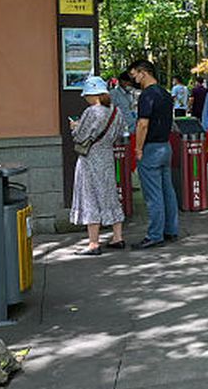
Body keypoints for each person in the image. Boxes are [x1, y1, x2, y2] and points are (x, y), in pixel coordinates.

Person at [67, 76, 126, 255]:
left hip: (90, 159)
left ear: (93, 95)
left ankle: (93, 243)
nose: (86, 99)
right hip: (107, 157)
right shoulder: (116, 111)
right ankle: (118, 237)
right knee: (110, 195)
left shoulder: (91, 112)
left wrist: (74, 126)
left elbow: (79, 137)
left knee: (90, 196)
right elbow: (119, 134)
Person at [125, 59, 180, 249]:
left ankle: (155, 235)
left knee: (153, 194)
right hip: (166, 146)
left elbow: (143, 124)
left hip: (151, 149)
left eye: (135, 75)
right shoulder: (165, 93)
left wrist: (138, 149)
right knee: (168, 191)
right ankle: (171, 230)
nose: (134, 80)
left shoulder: (147, 95)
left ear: (143, 72)